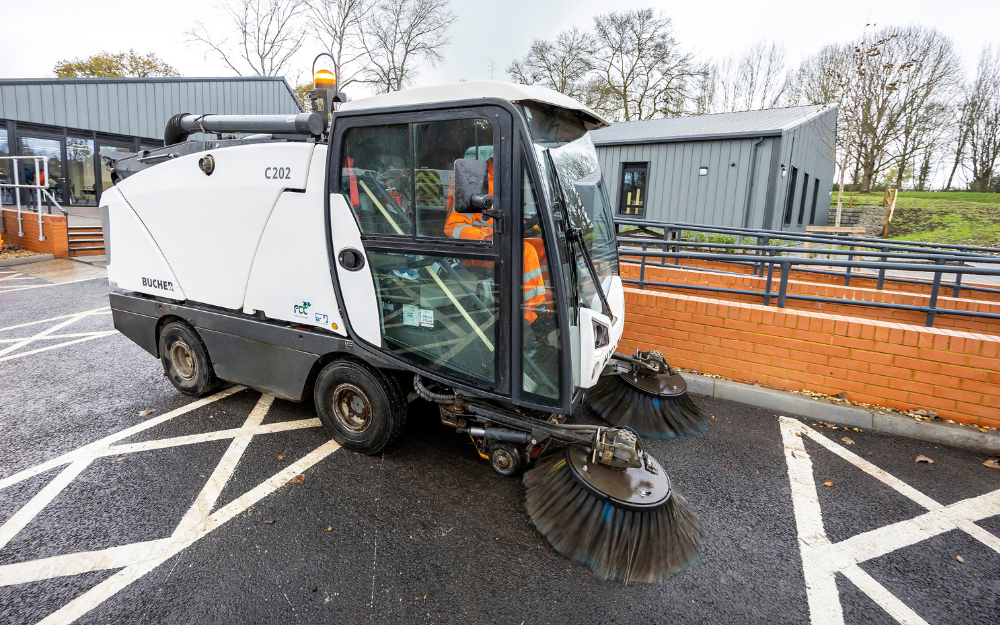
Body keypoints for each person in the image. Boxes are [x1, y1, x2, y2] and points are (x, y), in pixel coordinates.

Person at [443, 158, 552, 331]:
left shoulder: (505, 182)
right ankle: (536, 319)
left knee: (544, 247)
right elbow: (452, 228)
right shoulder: (473, 183)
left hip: (501, 242)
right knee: (526, 251)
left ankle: (549, 307)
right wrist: (486, 237)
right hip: (476, 250)